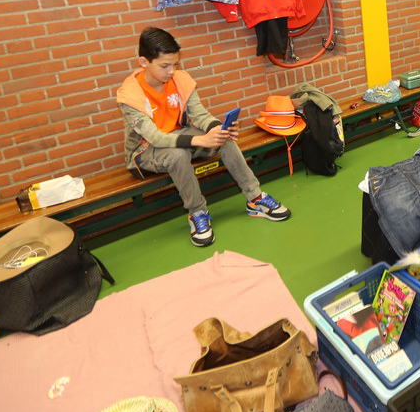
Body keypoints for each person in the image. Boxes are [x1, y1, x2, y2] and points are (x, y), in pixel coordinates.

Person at [117, 27, 291, 247]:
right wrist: (199, 140)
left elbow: (199, 115)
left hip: (179, 136)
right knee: (178, 156)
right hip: (144, 151)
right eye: (165, 66)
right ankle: (197, 213)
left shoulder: (180, 80)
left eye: (175, 64)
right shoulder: (129, 95)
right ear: (144, 62)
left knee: (222, 140)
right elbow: (155, 138)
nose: (171, 71)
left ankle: (255, 199)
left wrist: (219, 129)